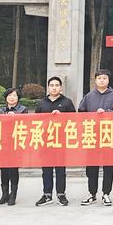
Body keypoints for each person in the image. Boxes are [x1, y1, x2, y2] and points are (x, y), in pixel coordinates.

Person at [78, 69, 113, 207]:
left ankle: (106, 193)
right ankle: (92, 193)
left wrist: (106, 113)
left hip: (108, 136)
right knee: (91, 166)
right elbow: (81, 113)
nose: (102, 80)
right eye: (99, 78)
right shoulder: (89, 96)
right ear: (95, 80)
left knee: (108, 166)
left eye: (104, 78)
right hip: (92, 136)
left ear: (108, 80)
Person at [34, 76, 76, 207]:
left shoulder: (67, 102)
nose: (54, 88)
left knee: (60, 169)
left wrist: (62, 116)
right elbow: (35, 122)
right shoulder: (42, 103)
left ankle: (61, 194)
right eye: (51, 85)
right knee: (46, 169)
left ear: (61, 87)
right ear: (48, 87)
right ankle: (47, 194)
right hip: (45, 141)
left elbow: (74, 120)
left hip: (60, 141)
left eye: (57, 85)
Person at [0, 87, 27, 206]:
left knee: (13, 170)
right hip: (3, 143)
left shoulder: (23, 109)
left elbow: (26, 124)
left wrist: (15, 117)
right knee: (3, 170)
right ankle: (4, 194)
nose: (12, 98)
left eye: (14, 95)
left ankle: (13, 194)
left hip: (16, 144)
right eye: (9, 95)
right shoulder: (0, 110)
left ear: (18, 98)